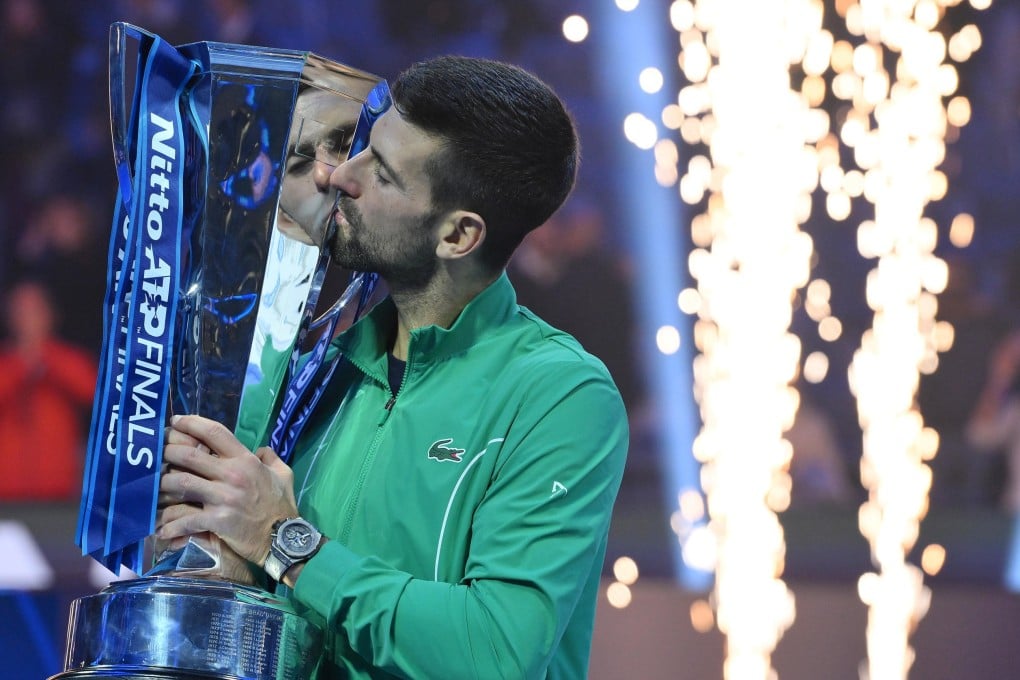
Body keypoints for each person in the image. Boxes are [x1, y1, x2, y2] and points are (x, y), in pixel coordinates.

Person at [157, 56, 629, 678]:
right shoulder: (321, 369)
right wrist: (218, 543)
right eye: (361, 148)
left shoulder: (559, 396)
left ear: (458, 235)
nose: (338, 175)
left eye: (380, 174)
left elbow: (496, 651)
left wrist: (284, 542)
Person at [0, 279, 97, 500]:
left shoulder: (68, 359)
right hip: (6, 492)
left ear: (50, 314)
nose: (27, 318)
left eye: (34, 310)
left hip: (57, 490)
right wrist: (21, 366)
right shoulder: (5, 364)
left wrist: (46, 358)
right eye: (20, 310)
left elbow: (93, 392)